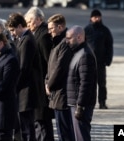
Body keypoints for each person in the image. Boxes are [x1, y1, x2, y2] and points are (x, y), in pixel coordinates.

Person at [7, 13, 44, 141]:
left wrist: (14, 87)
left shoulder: (27, 40)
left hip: (27, 90)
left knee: (27, 126)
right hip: (24, 89)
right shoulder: (22, 39)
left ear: (19, 26)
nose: (12, 34)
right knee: (24, 125)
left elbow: (24, 67)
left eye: (12, 30)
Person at [24, 6, 54, 141]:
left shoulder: (43, 36)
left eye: (29, 21)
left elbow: (49, 62)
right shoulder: (35, 33)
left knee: (42, 120)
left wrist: (47, 82)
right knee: (39, 120)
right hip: (36, 84)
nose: (28, 24)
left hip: (42, 84)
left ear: (38, 19)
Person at [45, 13, 75, 141]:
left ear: (60, 27)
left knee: (65, 131)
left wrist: (49, 85)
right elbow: (50, 66)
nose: (50, 31)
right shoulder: (56, 42)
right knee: (61, 129)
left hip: (62, 93)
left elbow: (60, 68)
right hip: (56, 93)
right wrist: (46, 81)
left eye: (52, 28)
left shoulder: (65, 43)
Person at [65, 25, 97, 141]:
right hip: (75, 103)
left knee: (81, 137)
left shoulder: (85, 55)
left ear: (79, 37)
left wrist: (80, 105)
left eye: (69, 38)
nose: (66, 41)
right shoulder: (78, 53)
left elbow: (86, 83)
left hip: (81, 105)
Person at [84, 9, 113, 109]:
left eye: (98, 17)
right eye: (94, 17)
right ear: (91, 18)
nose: (96, 19)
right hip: (88, 62)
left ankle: (102, 102)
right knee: (89, 83)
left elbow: (109, 45)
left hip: (101, 62)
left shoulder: (105, 30)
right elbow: (81, 45)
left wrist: (108, 59)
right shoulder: (86, 30)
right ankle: (88, 102)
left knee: (102, 83)